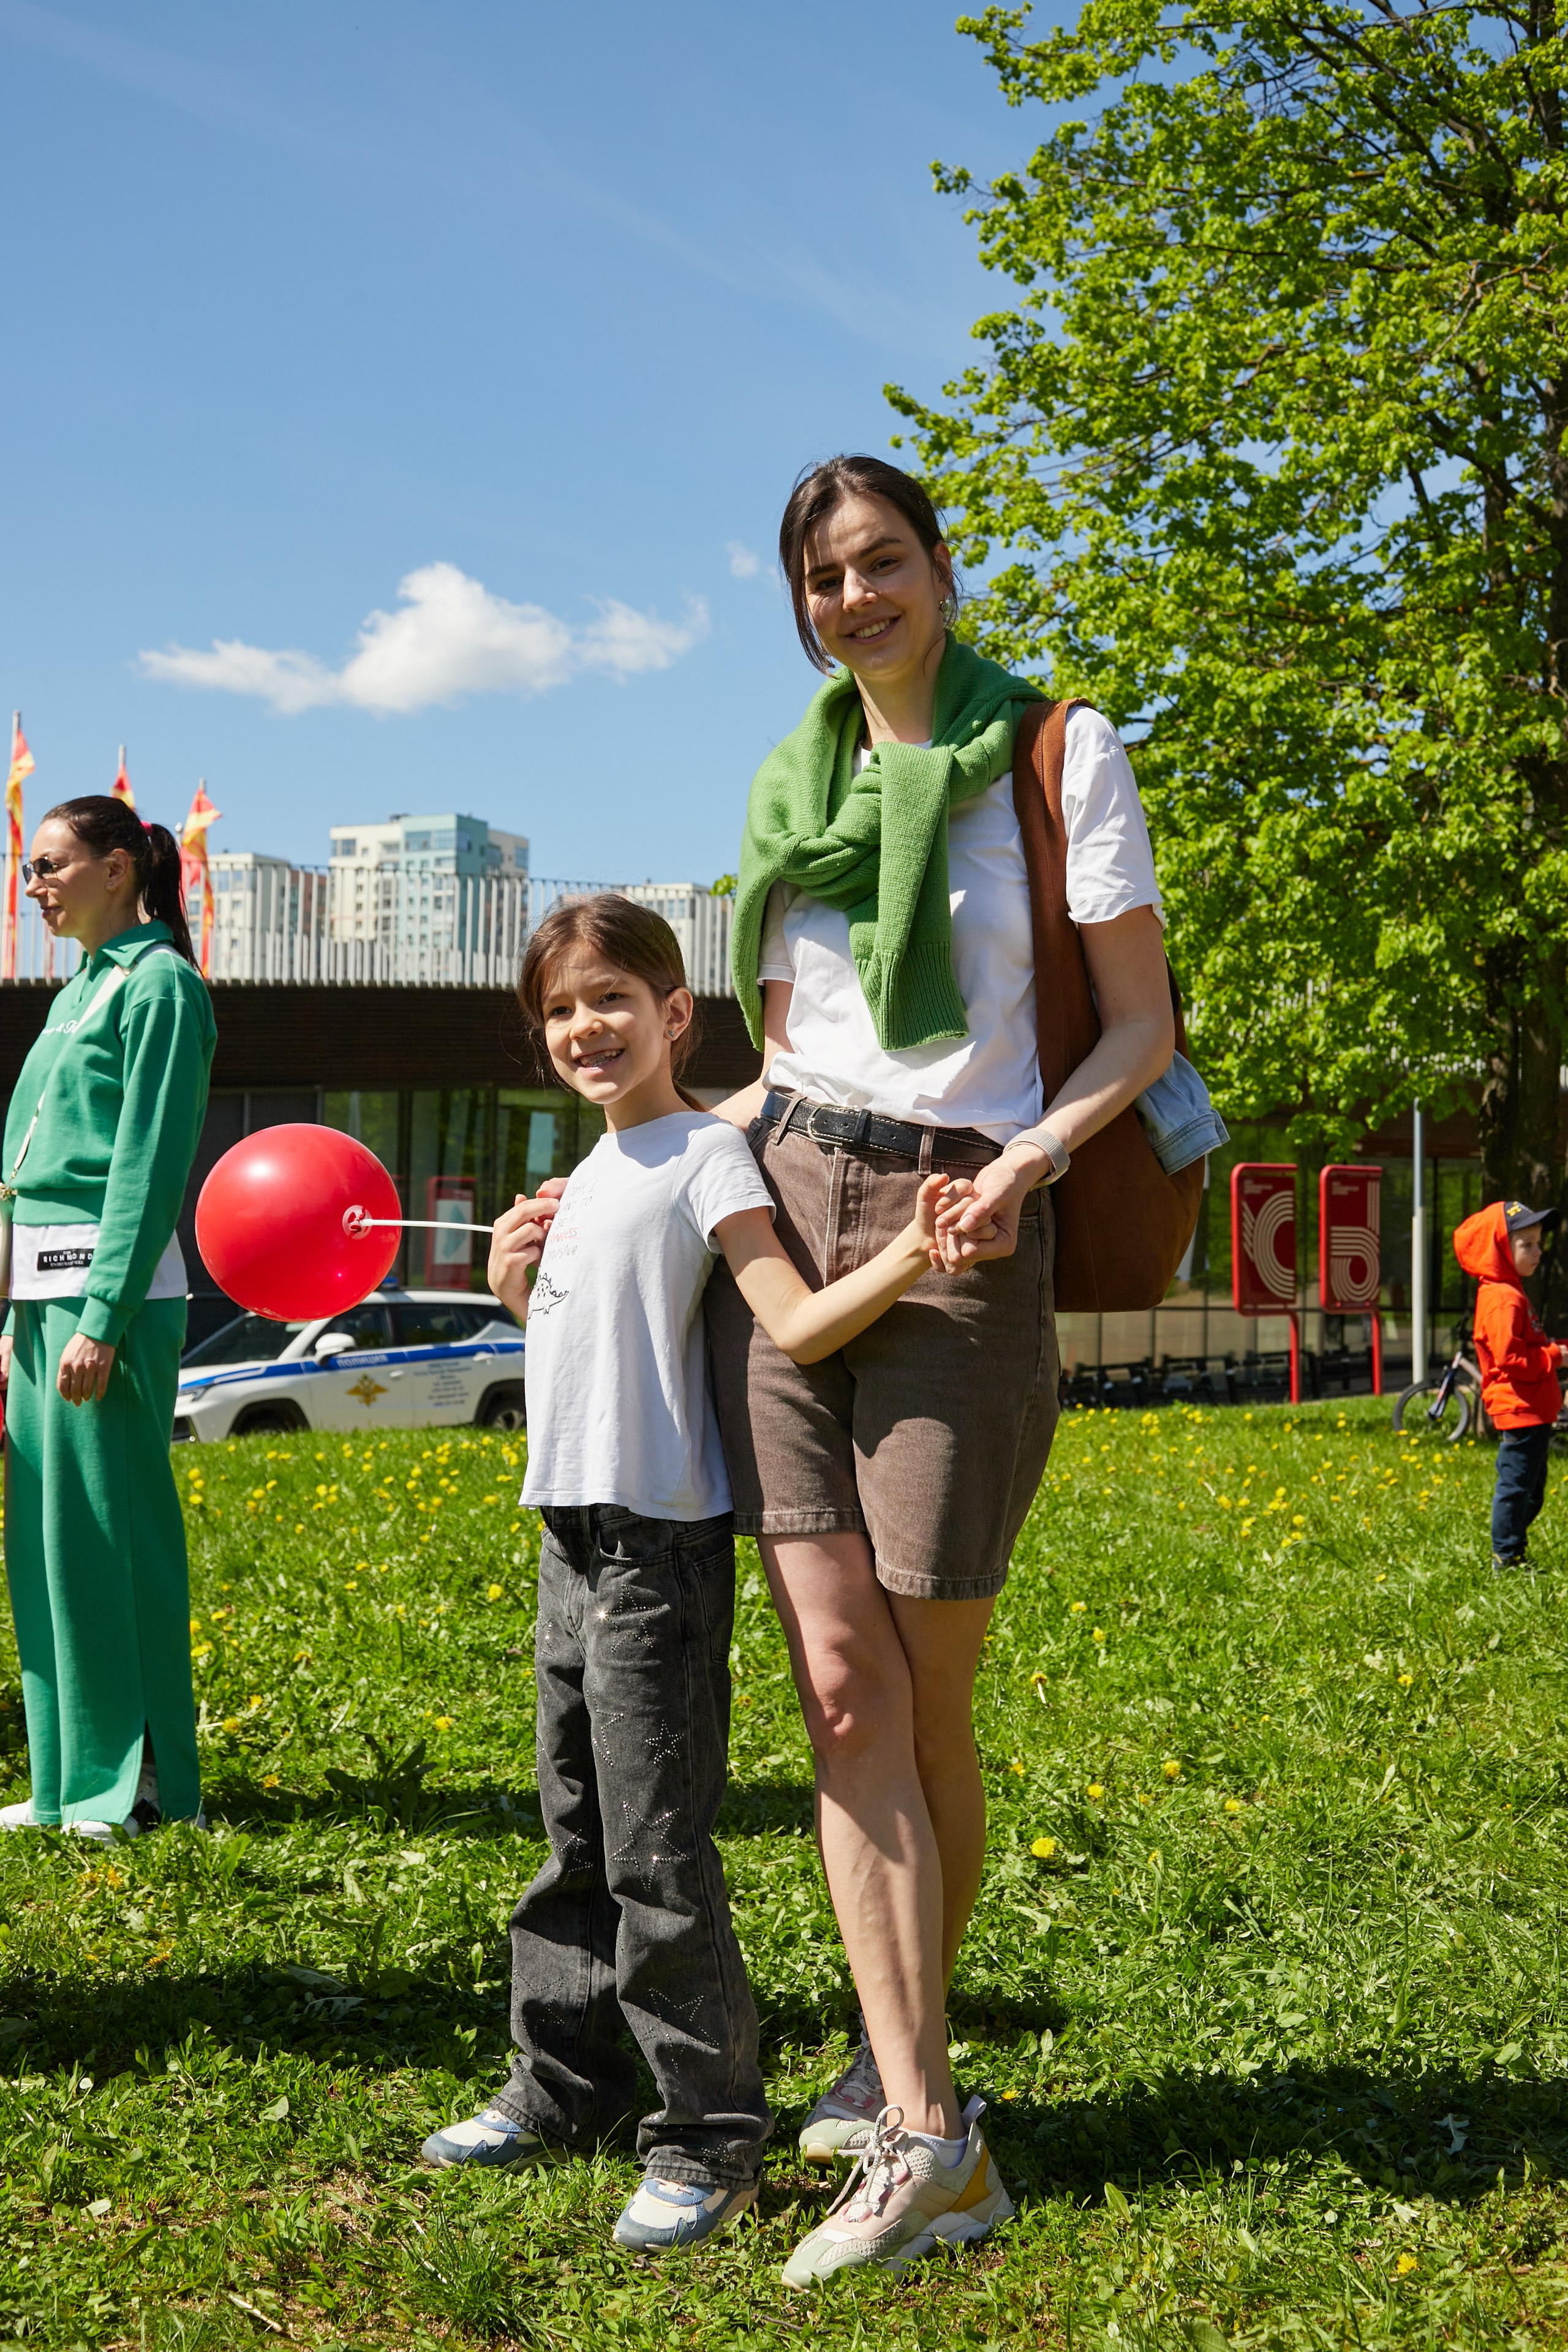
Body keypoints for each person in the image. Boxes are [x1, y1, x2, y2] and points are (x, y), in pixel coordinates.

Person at [705, 454, 1177, 2286]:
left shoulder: (1056, 753)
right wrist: (624, 1177)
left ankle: (902, 2060)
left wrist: (1024, 1166)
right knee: (837, 1691)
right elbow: (774, 1052)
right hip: (794, 1194)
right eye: (821, 576)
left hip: (971, 1215)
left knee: (919, 1683)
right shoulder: (792, 786)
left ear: (941, 569)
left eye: (880, 561)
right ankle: (921, 2125)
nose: (853, 598)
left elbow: (1136, 1025)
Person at [419, 893, 970, 2256]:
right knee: (573, 1839)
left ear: (675, 1015)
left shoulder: (702, 1161)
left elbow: (789, 1315)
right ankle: (563, 2081)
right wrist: (508, 1284)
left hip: (657, 1553)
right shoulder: (591, 1171)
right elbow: (589, 1346)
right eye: (557, 1009)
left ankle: (710, 2133)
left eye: (611, 998)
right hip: (568, 1535)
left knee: (657, 1849)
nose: (583, 1027)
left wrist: (911, 1248)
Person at [0, 796, 216, 1844]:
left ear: (121, 868)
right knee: (48, 1542)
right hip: (41, 1300)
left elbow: (144, 1163)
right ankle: (64, 1782)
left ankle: (137, 1784)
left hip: (107, 1305)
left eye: (51, 865)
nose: (33, 884)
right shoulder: (77, 989)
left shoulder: (163, 985)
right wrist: (17, 1313)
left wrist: (103, 1313)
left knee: (111, 1534)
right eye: (29, 868)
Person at [1453, 1200, 1563, 1571]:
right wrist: (1554, 1356)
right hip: (1520, 1410)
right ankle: (1507, 1557)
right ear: (1501, 1247)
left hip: (1531, 1409)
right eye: (1527, 1244)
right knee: (1517, 1490)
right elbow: (1511, 1359)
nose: (1538, 1251)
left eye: (1539, 1242)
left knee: (1530, 1492)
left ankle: (1513, 1548)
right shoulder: (1503, 1299)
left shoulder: (1509, 1291)